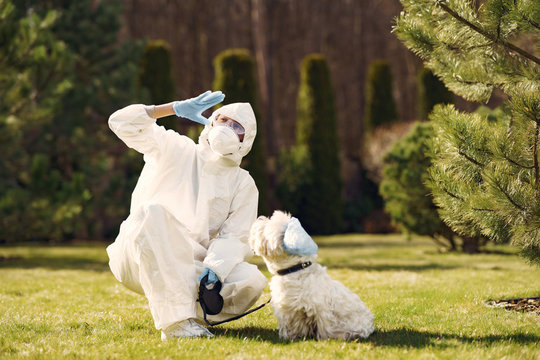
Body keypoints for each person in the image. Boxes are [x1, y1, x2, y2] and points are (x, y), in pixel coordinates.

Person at [106, 91, 268, 339]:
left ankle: (189, 314)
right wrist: (172, 108)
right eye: (223, 120)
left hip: (189, 263)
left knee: (251, 280)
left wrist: (216, 270)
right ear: (211, 122)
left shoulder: (242, 183)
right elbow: (121, 122)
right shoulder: (175, 147)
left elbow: (236, 236)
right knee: (152, 212)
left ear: (245, 141)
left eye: (236, 126)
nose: (226, 127)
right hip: (138, 253)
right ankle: (176, 324)